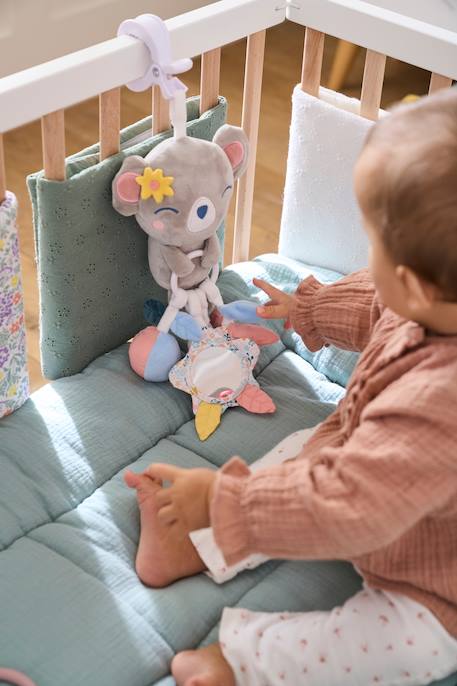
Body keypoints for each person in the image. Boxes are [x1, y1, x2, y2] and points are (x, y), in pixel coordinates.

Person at [125, 89, 457, 685]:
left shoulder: (441, 407)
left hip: (436, 576)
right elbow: (376, 308)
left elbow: (352, 507)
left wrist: (225, 499)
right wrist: (311, 306)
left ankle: (248, 660)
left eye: (374, 246)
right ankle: (194, 544)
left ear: (415, 282)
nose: (368, 261)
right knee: (305, 452)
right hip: (368, 463)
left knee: (406, 646)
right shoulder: (428, 302)